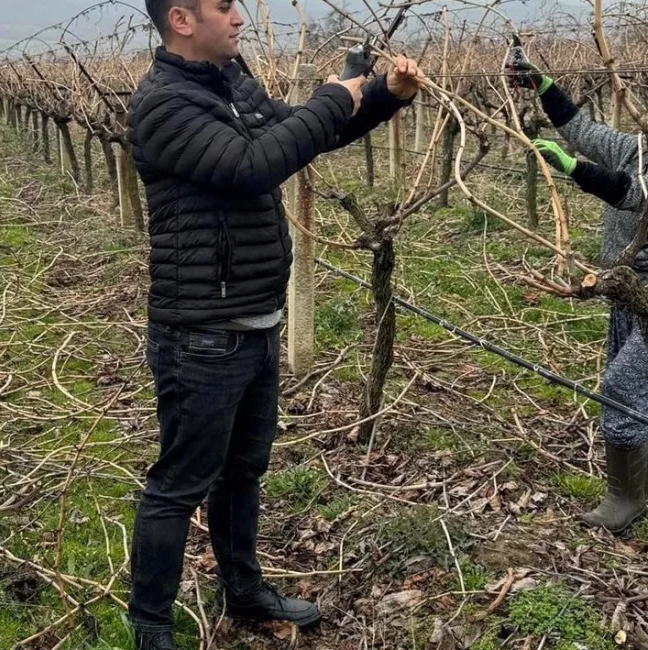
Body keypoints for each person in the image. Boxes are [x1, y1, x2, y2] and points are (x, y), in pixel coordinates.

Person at [126, 0, 425, 645]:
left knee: (243, 470)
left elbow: (295, 134)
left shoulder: (231, 83)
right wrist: (330, 95)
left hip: (257, 318)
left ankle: (244, 592)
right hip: (202, 330)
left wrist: (379, 96)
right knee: (180, 483)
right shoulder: (163, 104)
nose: (237, 16)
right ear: (182, 19)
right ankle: (150, 624)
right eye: (222, 6)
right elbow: (251, 166)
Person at [506, 54, 648, 533]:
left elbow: (636, 193)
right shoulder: (643, 146)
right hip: (633, 289)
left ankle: (625, 499)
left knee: (625, 387)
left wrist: (573, 169)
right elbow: (585, 131)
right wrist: (544, 85)